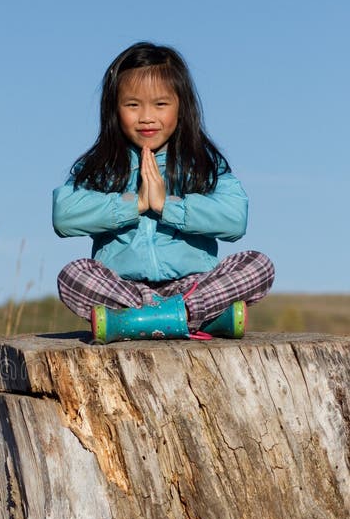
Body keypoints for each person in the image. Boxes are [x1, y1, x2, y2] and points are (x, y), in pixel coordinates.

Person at [52, 42, 275, 341]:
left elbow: (235, 218)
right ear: (114, 109)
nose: (146, 117)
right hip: (125, 289)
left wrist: (165, 206)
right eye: (132, 105)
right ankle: (194, 320)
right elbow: (64, 215)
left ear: (181, 106)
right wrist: (137, 204)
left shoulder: (201, 163)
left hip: (194, 287)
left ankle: (148, 320)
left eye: (160, 104)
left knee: (258, 265)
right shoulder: (102, 166)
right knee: (74, 275)